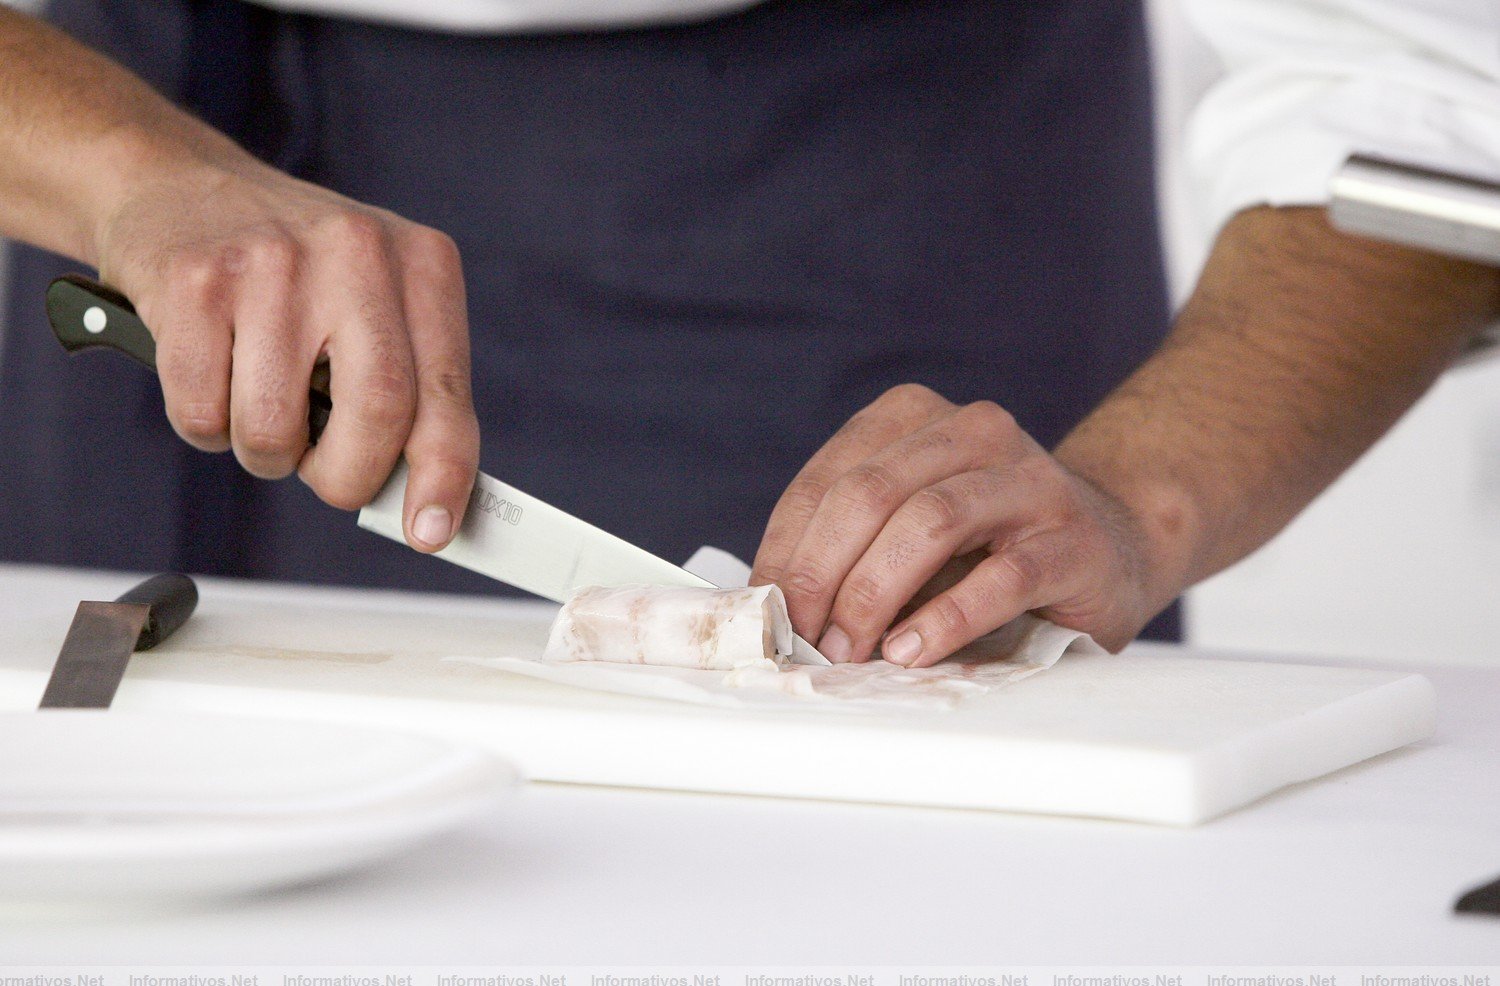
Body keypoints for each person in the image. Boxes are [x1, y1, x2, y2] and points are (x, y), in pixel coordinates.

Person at [0, 1, 1496, 669]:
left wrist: (1138, 496)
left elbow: (1422, 91)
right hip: (97, 183)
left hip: (853, 179)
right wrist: (117, 167)